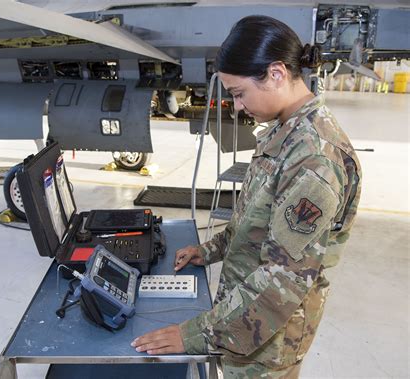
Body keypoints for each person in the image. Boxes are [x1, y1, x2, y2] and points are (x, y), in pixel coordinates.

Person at [131, 15, 361, 378]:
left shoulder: (313, 157)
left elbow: (282, 278)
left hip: (267, 339)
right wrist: (209, 250)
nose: (237, 106)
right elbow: (254, 223)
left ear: (276, 74)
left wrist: (193, 334)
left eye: (239, 94)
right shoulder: (285, 131)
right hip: (242, 321)